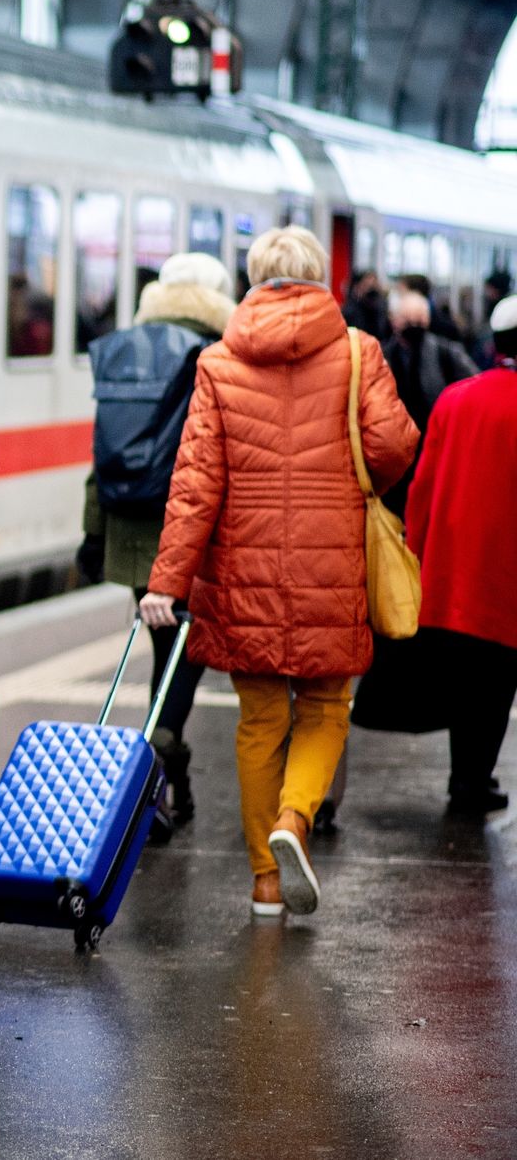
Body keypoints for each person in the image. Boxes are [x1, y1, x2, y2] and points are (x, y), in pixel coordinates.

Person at [144, 227, 417, 919]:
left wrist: (167, 583)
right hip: (335, 564)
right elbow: (393, 449)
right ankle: (294, 819)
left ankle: (266, 882)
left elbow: (195, 485)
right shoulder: (360, 352)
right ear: (319, 277)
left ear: (255, 276)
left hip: (244, 571)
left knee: (261, 720)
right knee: (326, 708)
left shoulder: (219, 362)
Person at [78, 252, 236, 832]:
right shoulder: (219, 356)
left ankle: (168, 779)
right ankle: (161, 764)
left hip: (135, 530)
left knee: (166, 651)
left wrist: (93, 534)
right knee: (185, 659)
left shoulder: (126, 348)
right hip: (198, 531)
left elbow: (102, 453)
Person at [404, 295, 517, 816]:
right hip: (506, 571)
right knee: (498, 679)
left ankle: (464, 776)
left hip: (454, 568)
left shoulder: (455, 397)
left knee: (468, 675)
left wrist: (416, 555)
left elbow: (422, 488)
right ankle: (476, 778)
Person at [380, 289, 478, 516]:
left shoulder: (447, 353)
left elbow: (473, 386)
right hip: (396, 454)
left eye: (420, 319)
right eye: (408, 319)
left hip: (434, 448)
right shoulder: (381, 354)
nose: (414, 324)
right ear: (394, 320)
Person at [397, 273, 465, 344]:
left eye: (402, 290)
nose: (399, 294)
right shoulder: (433, 310)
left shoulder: (429, 318)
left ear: (415, 292)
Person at [343, 269, 389, 341]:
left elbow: (383, 328)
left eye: (373, 284)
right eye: (366, 284)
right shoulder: (351, 307)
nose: (370, 288)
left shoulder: (380, 303)